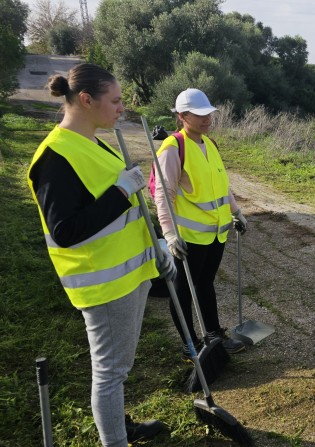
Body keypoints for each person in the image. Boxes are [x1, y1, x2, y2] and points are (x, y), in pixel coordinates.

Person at [27, 63, 174, 446]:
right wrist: (122, 191)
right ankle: (115, 441)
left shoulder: (92, 139)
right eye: (116, 100)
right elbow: (66, 231)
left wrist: (155, 241)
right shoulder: (54, 158)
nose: (122, 108)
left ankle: (118, 426)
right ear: (87, 100)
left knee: (118, 369)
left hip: (128, 274)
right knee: (110, 373)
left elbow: (118, 216)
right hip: (105, 284)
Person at [153, 88, 247, 358]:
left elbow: (222, 184)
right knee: (184, 289)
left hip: (216, 234)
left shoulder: (211, 144)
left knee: (205, 284)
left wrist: (236, 212)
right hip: (188, 238)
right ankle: (190, 344)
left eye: (209, 113)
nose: (207, 119)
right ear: (182, 116)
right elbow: (163, 194)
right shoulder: (173, 148)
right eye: (200, 114)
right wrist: (169, 235)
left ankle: (214, 336)